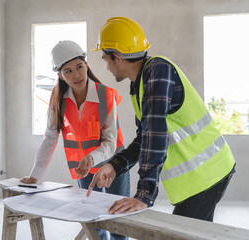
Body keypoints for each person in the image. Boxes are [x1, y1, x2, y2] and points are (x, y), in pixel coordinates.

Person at [87, 16, 236, 222]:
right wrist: (115, 165)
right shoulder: (138, 85)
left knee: (180, 234)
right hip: (201, 177)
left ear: (118, 57)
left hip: (206, 173)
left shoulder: (158, 71)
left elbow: (155, 135)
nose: (106, 66)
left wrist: (144, 195)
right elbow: (145, 138)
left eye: (105, 58)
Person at [21, 40, 130, 240]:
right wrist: (35, 175)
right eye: (68, 71)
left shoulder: (105, 95)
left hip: (114, 164)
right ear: (60, 75)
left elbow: (110, 141)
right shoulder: (58, 99)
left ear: (86, 65)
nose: (76, 75)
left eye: (79, 67)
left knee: (118, 222)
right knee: (92, 222)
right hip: (84, 169)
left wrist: (91, 157)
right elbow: (50, 138)